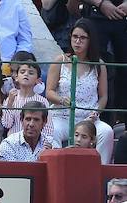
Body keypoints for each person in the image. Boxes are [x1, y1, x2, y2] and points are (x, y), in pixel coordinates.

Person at [46, 19, 114, 164]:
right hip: (62, 116)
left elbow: (103, 97)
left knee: (106, 132)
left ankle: (101, 172)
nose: (78, 41)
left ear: (90, 40)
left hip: (89, 118)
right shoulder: (60, 60)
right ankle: (57, 168)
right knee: (51, 131)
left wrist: (95, 113)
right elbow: (49, 92)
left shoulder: (99, 65)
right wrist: (62, 100)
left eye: (82, 38)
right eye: (75, 37)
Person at [0, 53, 53, 144]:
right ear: (16, 77)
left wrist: (45, 143)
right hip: (14, 142)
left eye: (31, 73)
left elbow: (48, 127)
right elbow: (6, 124)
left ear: (38, 80)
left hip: (35, 143)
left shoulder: (42, 101)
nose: (26, 74)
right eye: (22, 72)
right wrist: (9, 104)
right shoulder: (11, 98)